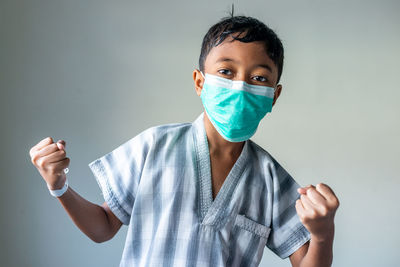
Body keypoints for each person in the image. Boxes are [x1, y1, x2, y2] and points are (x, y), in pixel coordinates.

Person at [29, 14, 339, 267]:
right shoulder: (155, 147)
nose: (241, 87)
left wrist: (322, 234)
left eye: (259, 78)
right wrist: (59, 187)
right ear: (200, 82)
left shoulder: (270, 179)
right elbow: (103, 227)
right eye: (227, 72)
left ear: (274, 96)